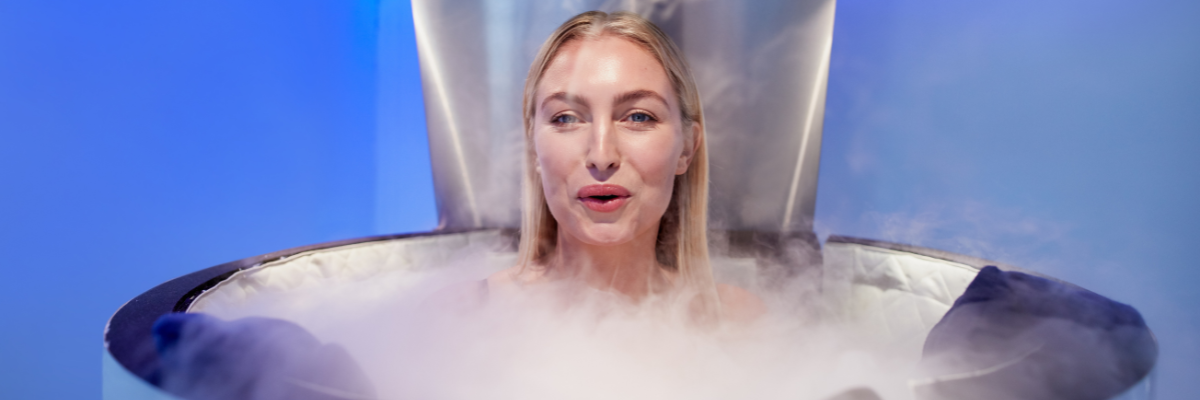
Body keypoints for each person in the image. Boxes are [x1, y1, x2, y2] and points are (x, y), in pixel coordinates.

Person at [436, 11, 764, 325]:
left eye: (638, 117)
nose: (602, 154)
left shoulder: (739, 323)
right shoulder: (462, 317)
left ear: (687, 148)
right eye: (565, 118)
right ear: (533, 147)